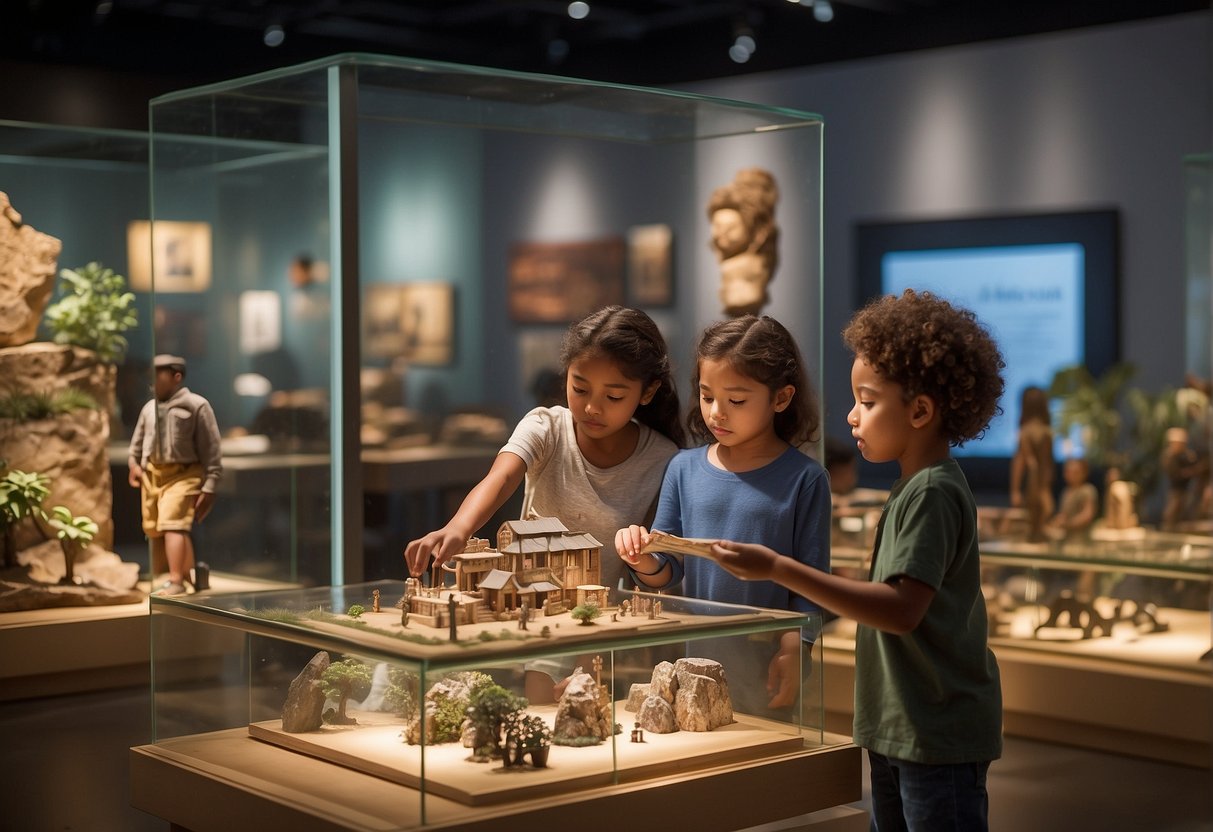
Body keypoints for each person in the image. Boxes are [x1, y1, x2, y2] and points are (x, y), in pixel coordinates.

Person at [706, 290, 1005, 831]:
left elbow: (899, 609)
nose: (851, 416)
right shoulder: (912, 487)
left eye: (867, 402)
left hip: (934, 730)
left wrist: (778, 568)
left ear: (919, 411)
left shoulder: (932, 492)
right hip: (900, 723)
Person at [404, 306, 685, 699]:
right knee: (541, 701)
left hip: (598, 619)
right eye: (580, 387)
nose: (591, 407)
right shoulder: (546, 427)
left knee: (580, 710)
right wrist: (458, 527)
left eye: (614, 395)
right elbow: (500, 478)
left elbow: (661, 565)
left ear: (648, 392)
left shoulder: (664, 458)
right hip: (534, 609)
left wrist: (642, 560)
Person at [615, 315, 830, 713]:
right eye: (706, 395)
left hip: (768, 665)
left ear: (780, 399)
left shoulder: (805, 479)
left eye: (737, 400)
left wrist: (795, 648)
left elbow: (811, 583)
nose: (716, 413)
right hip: (696, 661)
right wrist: (641, 558)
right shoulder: (683, 468)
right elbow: (669, 567)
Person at [128, 354, 223, 596]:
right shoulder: (148, 409)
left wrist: (210, 485)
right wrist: (135, 465)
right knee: (156, 528)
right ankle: (192, 576)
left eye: (159, 373)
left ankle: (176, 580)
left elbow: (211, 449)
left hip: (183, 475)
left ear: (176, 376)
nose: (152, 379)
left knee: (173, 526)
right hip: (153, 476)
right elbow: (137, 443)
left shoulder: (196, 405)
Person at [707, 168, 780, 317]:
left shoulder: (748, 263)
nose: (721, 234)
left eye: (730, 228)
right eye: (717, 226)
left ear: (757, 233)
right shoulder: (728, 261)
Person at [1009, 385, 1055, 542]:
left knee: (1035, 515)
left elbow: (1020, 461)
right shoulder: (1046, 431)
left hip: (1034, 481)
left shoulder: (1025, 432)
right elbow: (1047, 463)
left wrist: (1015, 490)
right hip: (1041, 481)